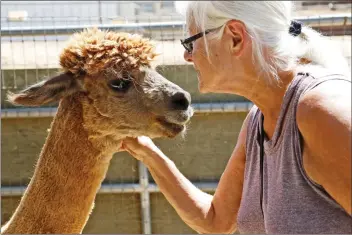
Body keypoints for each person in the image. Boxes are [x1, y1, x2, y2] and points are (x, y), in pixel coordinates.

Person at [119, 1, 351, 234]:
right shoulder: (258, 119)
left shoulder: (319, 111)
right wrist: (145, 151)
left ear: (235, 38)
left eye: (191, 42)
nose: (187, 55)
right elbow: (216, 220)